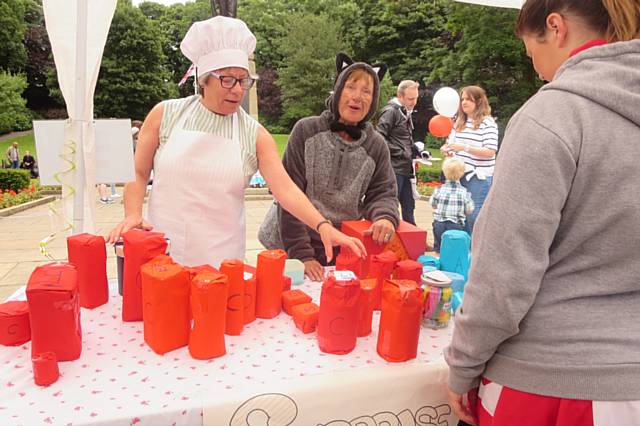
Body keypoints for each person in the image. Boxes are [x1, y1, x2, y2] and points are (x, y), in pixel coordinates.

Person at [444, 1, 640, 424]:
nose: (534, 66)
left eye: (530, 49)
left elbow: (502, 271)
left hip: (552, 383)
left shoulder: (553, 115)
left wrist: (463, 365)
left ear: (555, 27)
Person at [107, 17, 365, 268]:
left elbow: (285, 190)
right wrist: (132, 214)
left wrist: (323, 226)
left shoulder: (255, 134)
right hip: (161, 253)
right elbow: (138, 172)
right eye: (228, 79)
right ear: (204, 79)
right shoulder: (166, 115)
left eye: (244, 80)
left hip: (222, 261)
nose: (238, 90)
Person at [258, 53, 399, 282]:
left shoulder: (376, 145)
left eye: (366, 91)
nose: (357, 97)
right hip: (290, 243)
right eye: (351, 87)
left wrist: (384, 217)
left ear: (373, 102)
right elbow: (289, 195)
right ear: (337, 91)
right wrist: (302, 255)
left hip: (337, 245)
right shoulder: (306, 131)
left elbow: (383, 192)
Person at [441, 86, 497, 236]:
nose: (464, 102)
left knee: (474, 215)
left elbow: (490, 151)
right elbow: (450, 144)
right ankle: (463, 250)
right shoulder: (459, 122)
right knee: (460, 215)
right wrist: (447, 149)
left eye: (468, 99)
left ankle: (476, 250)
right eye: (462, 99)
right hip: (459, 175)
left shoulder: (488, 123)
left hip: (478, 177)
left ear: (478, 102)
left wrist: (464, 148)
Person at [377, 80, 420, 225]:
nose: (414, 102)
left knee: (409, 205)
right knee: (392, 206)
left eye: (416, 98)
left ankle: (414, 238)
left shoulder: (404, 110)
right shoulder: (391, 111)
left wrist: (414, 149)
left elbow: (402, 137)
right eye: (410, 99)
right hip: (394, 168)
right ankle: (393, 240)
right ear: (400, 96)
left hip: (405, 168)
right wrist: (401, 152)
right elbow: (379, 138)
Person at [429, 158, 474, 253]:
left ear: (444, 172)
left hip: (439, 224)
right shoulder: (464, 192)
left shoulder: (439, 189)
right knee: (454, 250)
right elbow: (469, 210)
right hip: (456, 225)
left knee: (439, 249)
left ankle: (439, 262)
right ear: (462, 173)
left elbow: (433, 204)